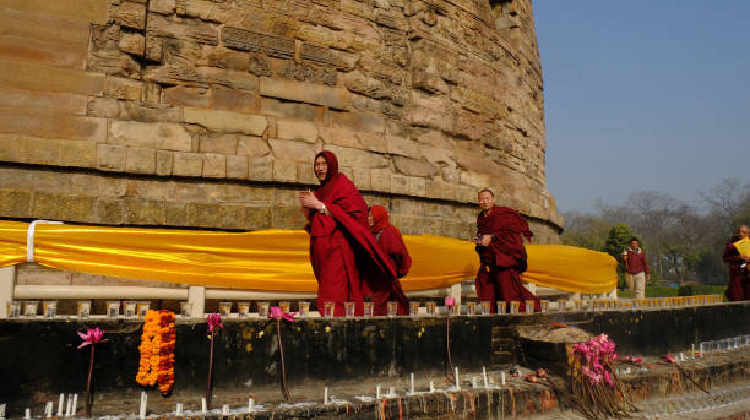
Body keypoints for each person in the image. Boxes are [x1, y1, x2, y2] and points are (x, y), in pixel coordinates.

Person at [298, 151, 407, 316]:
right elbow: (316, 222)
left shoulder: (343, 185)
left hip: (339, 252)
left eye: (323, 164)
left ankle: (336, 333)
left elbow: (357, 215)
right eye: (317, 164)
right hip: (325, 254)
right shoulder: (321, 191)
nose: (319, 168)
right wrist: (310, 208)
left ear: (332, 165)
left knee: (334, 297)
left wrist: (320, 206)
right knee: (327, 295)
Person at [474, 188, 540, 313]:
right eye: (481, 199)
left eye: (487, 198)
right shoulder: (481, 218)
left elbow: (511, 236)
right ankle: (495, 322)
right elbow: (485, 236)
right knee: (487, 296)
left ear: (493, 200)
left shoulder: (503, 214)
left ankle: (529, 316)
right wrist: (480, 241)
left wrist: (492, 238)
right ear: (478, 202)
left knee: (510, 296)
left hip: (503, 262)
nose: (484, 201)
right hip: (488, 263)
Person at [368, 205, 411, 315]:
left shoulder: (388, 233)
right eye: (368, 216)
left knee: (382, 309)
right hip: (376, 280)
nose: (369, 219)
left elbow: (398, 253)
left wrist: (396, 270)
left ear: (379, 217)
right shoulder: (372, 232)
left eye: (372, 216)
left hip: (385, 280)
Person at [723, 225, 750, 301]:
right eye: (739, 232)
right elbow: (725, 259)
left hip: (748, 275)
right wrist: (738, 257)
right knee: (737, 299)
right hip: (736, 275)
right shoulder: (731, 245)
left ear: (748, 234)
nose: (741, 234)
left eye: (744, 232)